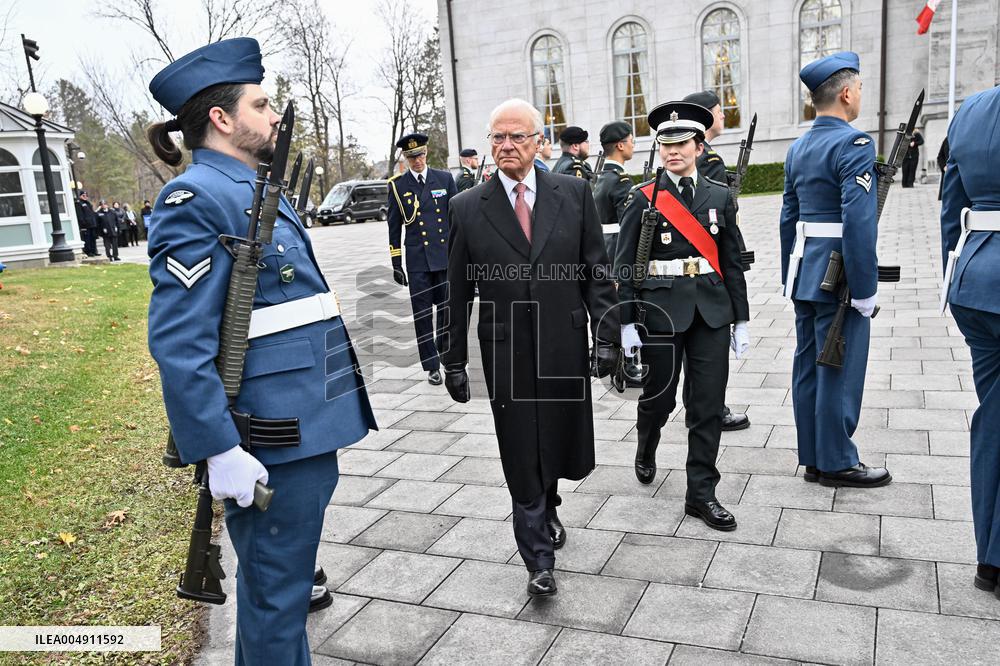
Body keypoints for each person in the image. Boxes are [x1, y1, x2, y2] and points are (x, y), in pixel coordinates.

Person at [145, 37, 376, 664]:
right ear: (222, 118)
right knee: (276, 599)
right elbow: (179, 342)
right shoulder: (196, 198)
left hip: (302, 424)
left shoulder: (251, 187)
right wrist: (218, 447)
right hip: (268, 436)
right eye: (261, 103)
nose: (275, 115)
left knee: (285, 591)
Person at [443, 98, 619, 597]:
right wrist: (452, 359)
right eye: (497, 137)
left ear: (539, 141)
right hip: (506, 351)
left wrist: (607, 336)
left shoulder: (574, 192)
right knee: (521, 446)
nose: (505, 146)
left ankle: (550, 504)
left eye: (516, 137)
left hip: (563, 340)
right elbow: (456, 292)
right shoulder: (467, 208)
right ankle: (537, 556)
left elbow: (596, 272)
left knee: (558, 436)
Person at [615, 101, 750, 531]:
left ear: (698, 145)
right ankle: (646, 444)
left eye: (682, 144)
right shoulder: (643, 199)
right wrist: (625, 324)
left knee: (707, 405)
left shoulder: (720, 195)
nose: (673, 152)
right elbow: (626, 266)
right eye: (665, 144)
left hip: (711, 311)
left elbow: (731, 260)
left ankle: (701, 494)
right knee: (659, 397)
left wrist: (741, 318)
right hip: (660, 312)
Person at [779, 51, 891, 488]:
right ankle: (838, 461)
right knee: (839, 367)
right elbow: (858, 222)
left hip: (806, 269)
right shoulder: (854, 144)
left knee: (810, 364)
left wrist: (791, 272)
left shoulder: (798, 147)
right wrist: (865, 288)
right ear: (846, 93)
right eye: (860, 88)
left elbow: (788, 216)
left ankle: (814, 455)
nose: (860, 95)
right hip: (838, 273)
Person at [939, 83, 1000, 600]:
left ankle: (991, 557)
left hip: (975, 280)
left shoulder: (971, 109)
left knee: (994, 414)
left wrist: (952, 276)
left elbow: (950, 206)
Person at [682, 90, 752, 432]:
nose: (723, 118)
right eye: (720, 112)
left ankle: (698, 403)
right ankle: (709, 406)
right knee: (707, 339)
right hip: (706, 259)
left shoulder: (706, 155)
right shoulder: (708, 160)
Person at [386, 132, 457, 385]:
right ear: (405, 158)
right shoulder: (397, 185)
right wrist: (396, 262)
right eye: (411, 156)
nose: (417, 161)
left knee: (447, 312)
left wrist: (462, 255)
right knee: (422, 314)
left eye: (420, 155)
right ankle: (431, 365)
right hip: (417, 261)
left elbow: (455, 220)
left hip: (444, 257)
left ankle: (448, 358)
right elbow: (394, 226)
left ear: (426, 153)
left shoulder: (445, 179)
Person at [593, 120, 634, 260]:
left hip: (604, 245)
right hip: (618, 247)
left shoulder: (603, 177)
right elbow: (629, 223)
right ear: (620, 145)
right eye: (631, 141)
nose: (633, 145)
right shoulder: (620, 180)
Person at [75, 190, 99, 257]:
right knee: (87, 239)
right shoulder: (79, 203)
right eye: (83, 195)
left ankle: (94, 251)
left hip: (92, 224)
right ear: (80, 196)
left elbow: (92, 213)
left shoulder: (88, 203)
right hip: (86, 225)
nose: (85, 197)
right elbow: (80, 215)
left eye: (86, 195)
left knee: (93, 238)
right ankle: (88, 251)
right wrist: (83, 223)